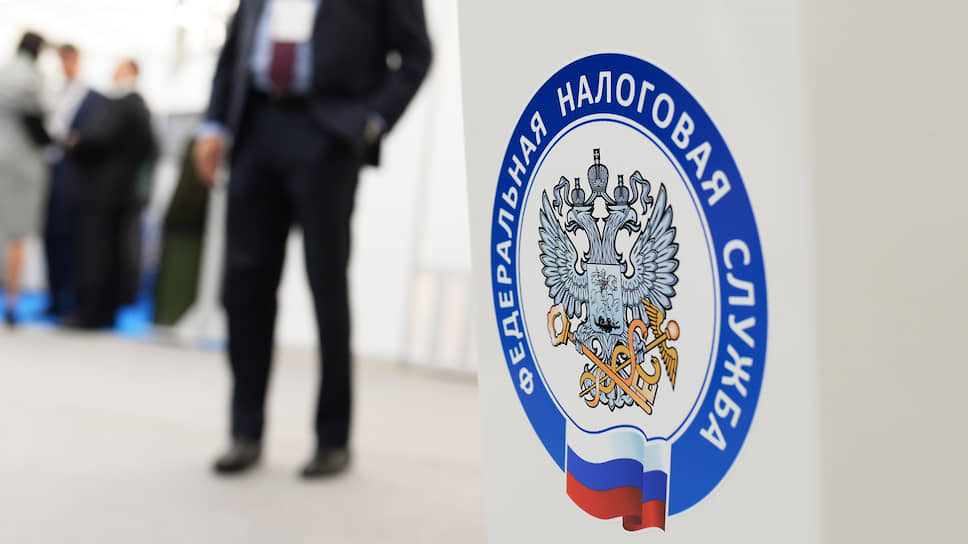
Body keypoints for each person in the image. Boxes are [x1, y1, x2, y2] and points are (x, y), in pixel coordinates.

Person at [194, 0, 432, 477]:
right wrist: (214, 123)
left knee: (327, 286)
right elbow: (235, 47)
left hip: (328, 132)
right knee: (245, 288)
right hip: (256, 126)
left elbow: (416, 55)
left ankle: (332, 438)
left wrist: (372, 122)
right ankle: (244, 431)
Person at [64, 59, 155, 329]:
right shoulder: (140, 107)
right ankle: (105, 313)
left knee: (94, 253)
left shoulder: (123, 104)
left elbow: (97, 138)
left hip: (101, 194)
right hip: (121, 194)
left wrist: (75, 142)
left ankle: (90, 314)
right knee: (112, 253)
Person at [43, 44, 104, 318]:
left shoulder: (92, 96)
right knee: (51, 235)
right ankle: (55, 297)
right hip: (51, 169)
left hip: (76, 175)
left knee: (71, 236)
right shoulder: (53, 92)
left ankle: (71, 299)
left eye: (69, 60)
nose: (65, 66)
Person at [0, 31, 50, 327]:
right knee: (16, 234)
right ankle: (11, 303)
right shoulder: (31, 76)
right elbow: (39, 120)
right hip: (21, 163)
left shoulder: (4, 70)